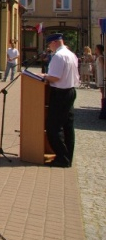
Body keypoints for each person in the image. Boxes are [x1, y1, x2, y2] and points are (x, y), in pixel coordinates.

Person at [43, 33, 79, 167]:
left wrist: (45, 76)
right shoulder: (71, 54)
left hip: (60, 93)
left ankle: (62, 157)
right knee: (68, 127)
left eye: (49, 45)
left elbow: (55, 77)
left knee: (53, 127)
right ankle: (68, 157)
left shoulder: (58, 56)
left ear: (54, 43)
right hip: (70, 91)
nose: (49, 47)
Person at [94, 44, 106, 120]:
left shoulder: (101, 57)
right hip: (99, 75)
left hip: (102, 76)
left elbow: (103, 67)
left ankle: (104, 108)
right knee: (101, 91)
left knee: (103, 92)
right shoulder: (98, 57)